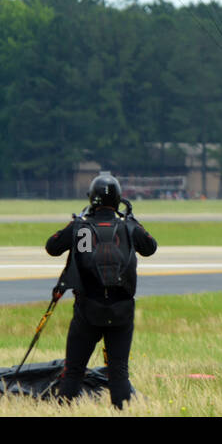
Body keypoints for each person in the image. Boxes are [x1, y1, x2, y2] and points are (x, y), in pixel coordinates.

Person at [45, 172, 158, 408]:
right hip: (121, 312)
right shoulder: (128, 227)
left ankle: (64, 410)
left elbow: (52, 247)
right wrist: (133, 220)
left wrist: (77, 222)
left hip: (88, 311)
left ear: (92, 199)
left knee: (74, 371)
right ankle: (122, 411)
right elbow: (150, 248)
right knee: (118, 373)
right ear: (118, 200)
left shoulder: (81, 228)